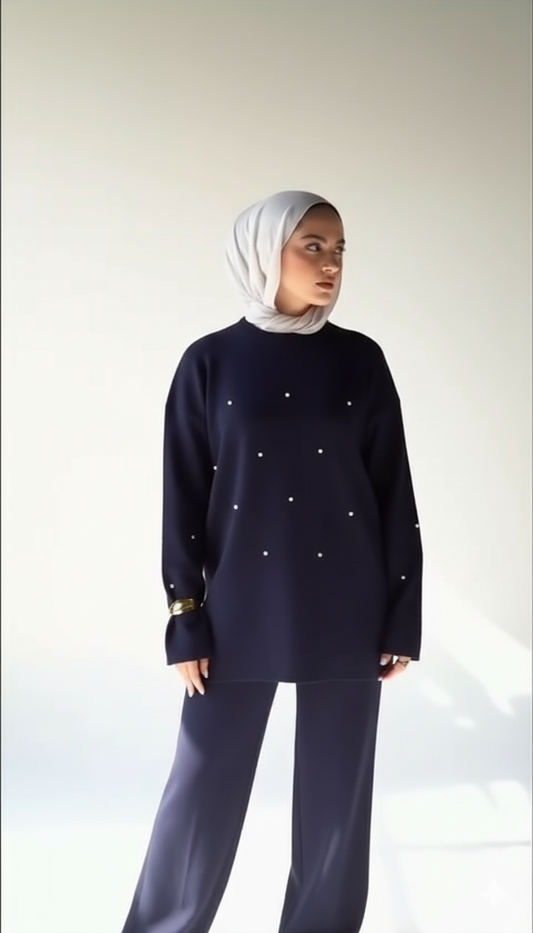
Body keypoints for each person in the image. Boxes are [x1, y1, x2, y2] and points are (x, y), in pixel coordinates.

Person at [120, 190, 423, 933]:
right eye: (312, 246)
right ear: (264, 251)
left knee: (336, 806)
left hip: (349, 607)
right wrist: (185, 617)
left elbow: (394, 492)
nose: (331, 264)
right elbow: (183, 498)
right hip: (237, 608)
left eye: (339, 249)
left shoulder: (360, 360)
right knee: (201, 790)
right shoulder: (209, 363)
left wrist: (402, 615)